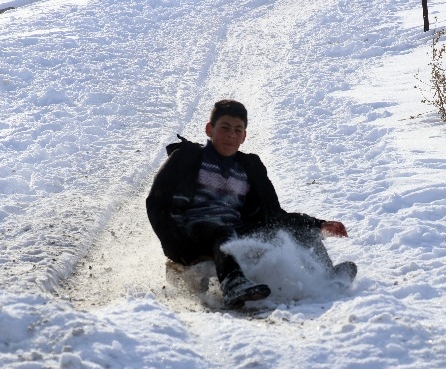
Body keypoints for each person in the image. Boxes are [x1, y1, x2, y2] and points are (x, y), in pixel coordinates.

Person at [146, 99, 355, 308]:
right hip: (194, 232)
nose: (231, 135)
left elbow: (275, 215)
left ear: (244, 136)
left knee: (289, 228)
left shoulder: (248, 168)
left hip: (234, 231)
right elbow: (157, 203)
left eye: (238, 130)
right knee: (223, 232)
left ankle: (327, 277)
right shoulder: (187, 158)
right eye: (225, 128)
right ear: (209, 129)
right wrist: (178, 248)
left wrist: (318, 224)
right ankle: (232, 284)